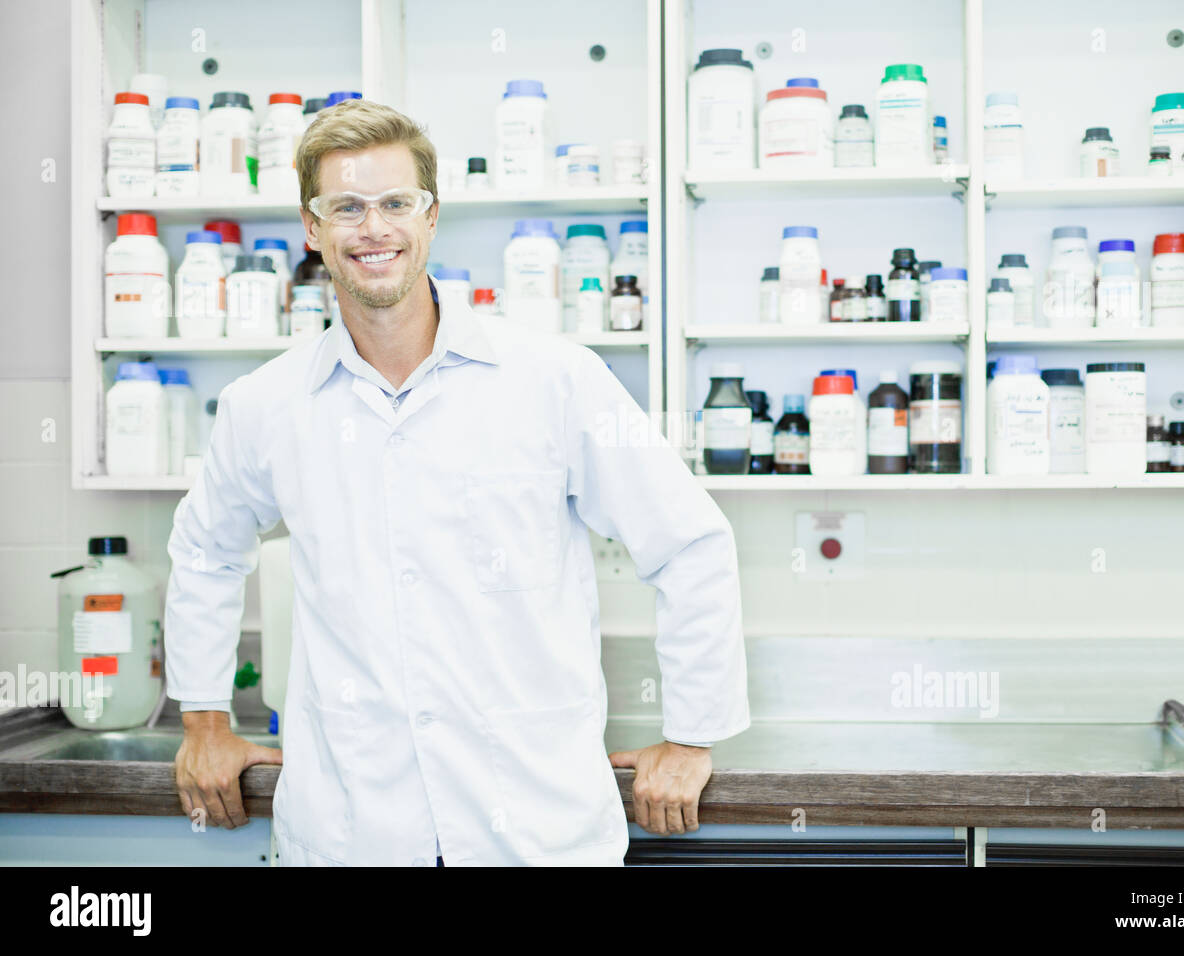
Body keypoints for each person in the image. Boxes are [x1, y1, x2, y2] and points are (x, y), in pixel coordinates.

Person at [166, 99, 749, 865]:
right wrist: (205, 720)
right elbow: (206, 552)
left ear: (431, 217)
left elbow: (690, 544)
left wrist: (691, 733)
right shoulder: (266, 406)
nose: (373, 229)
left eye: (395, 204)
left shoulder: (557, 381)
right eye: (346, 207)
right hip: (354, 830)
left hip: (535, 830)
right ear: (312, 229)